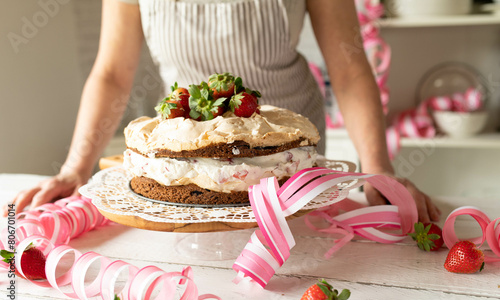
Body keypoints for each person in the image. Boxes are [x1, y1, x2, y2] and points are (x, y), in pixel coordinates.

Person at [4, 0, 440, 223]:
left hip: (285, 158)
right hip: (185, 155)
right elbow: (113, 73)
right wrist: (75, 169)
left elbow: (347, 66)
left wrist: (378, 167)